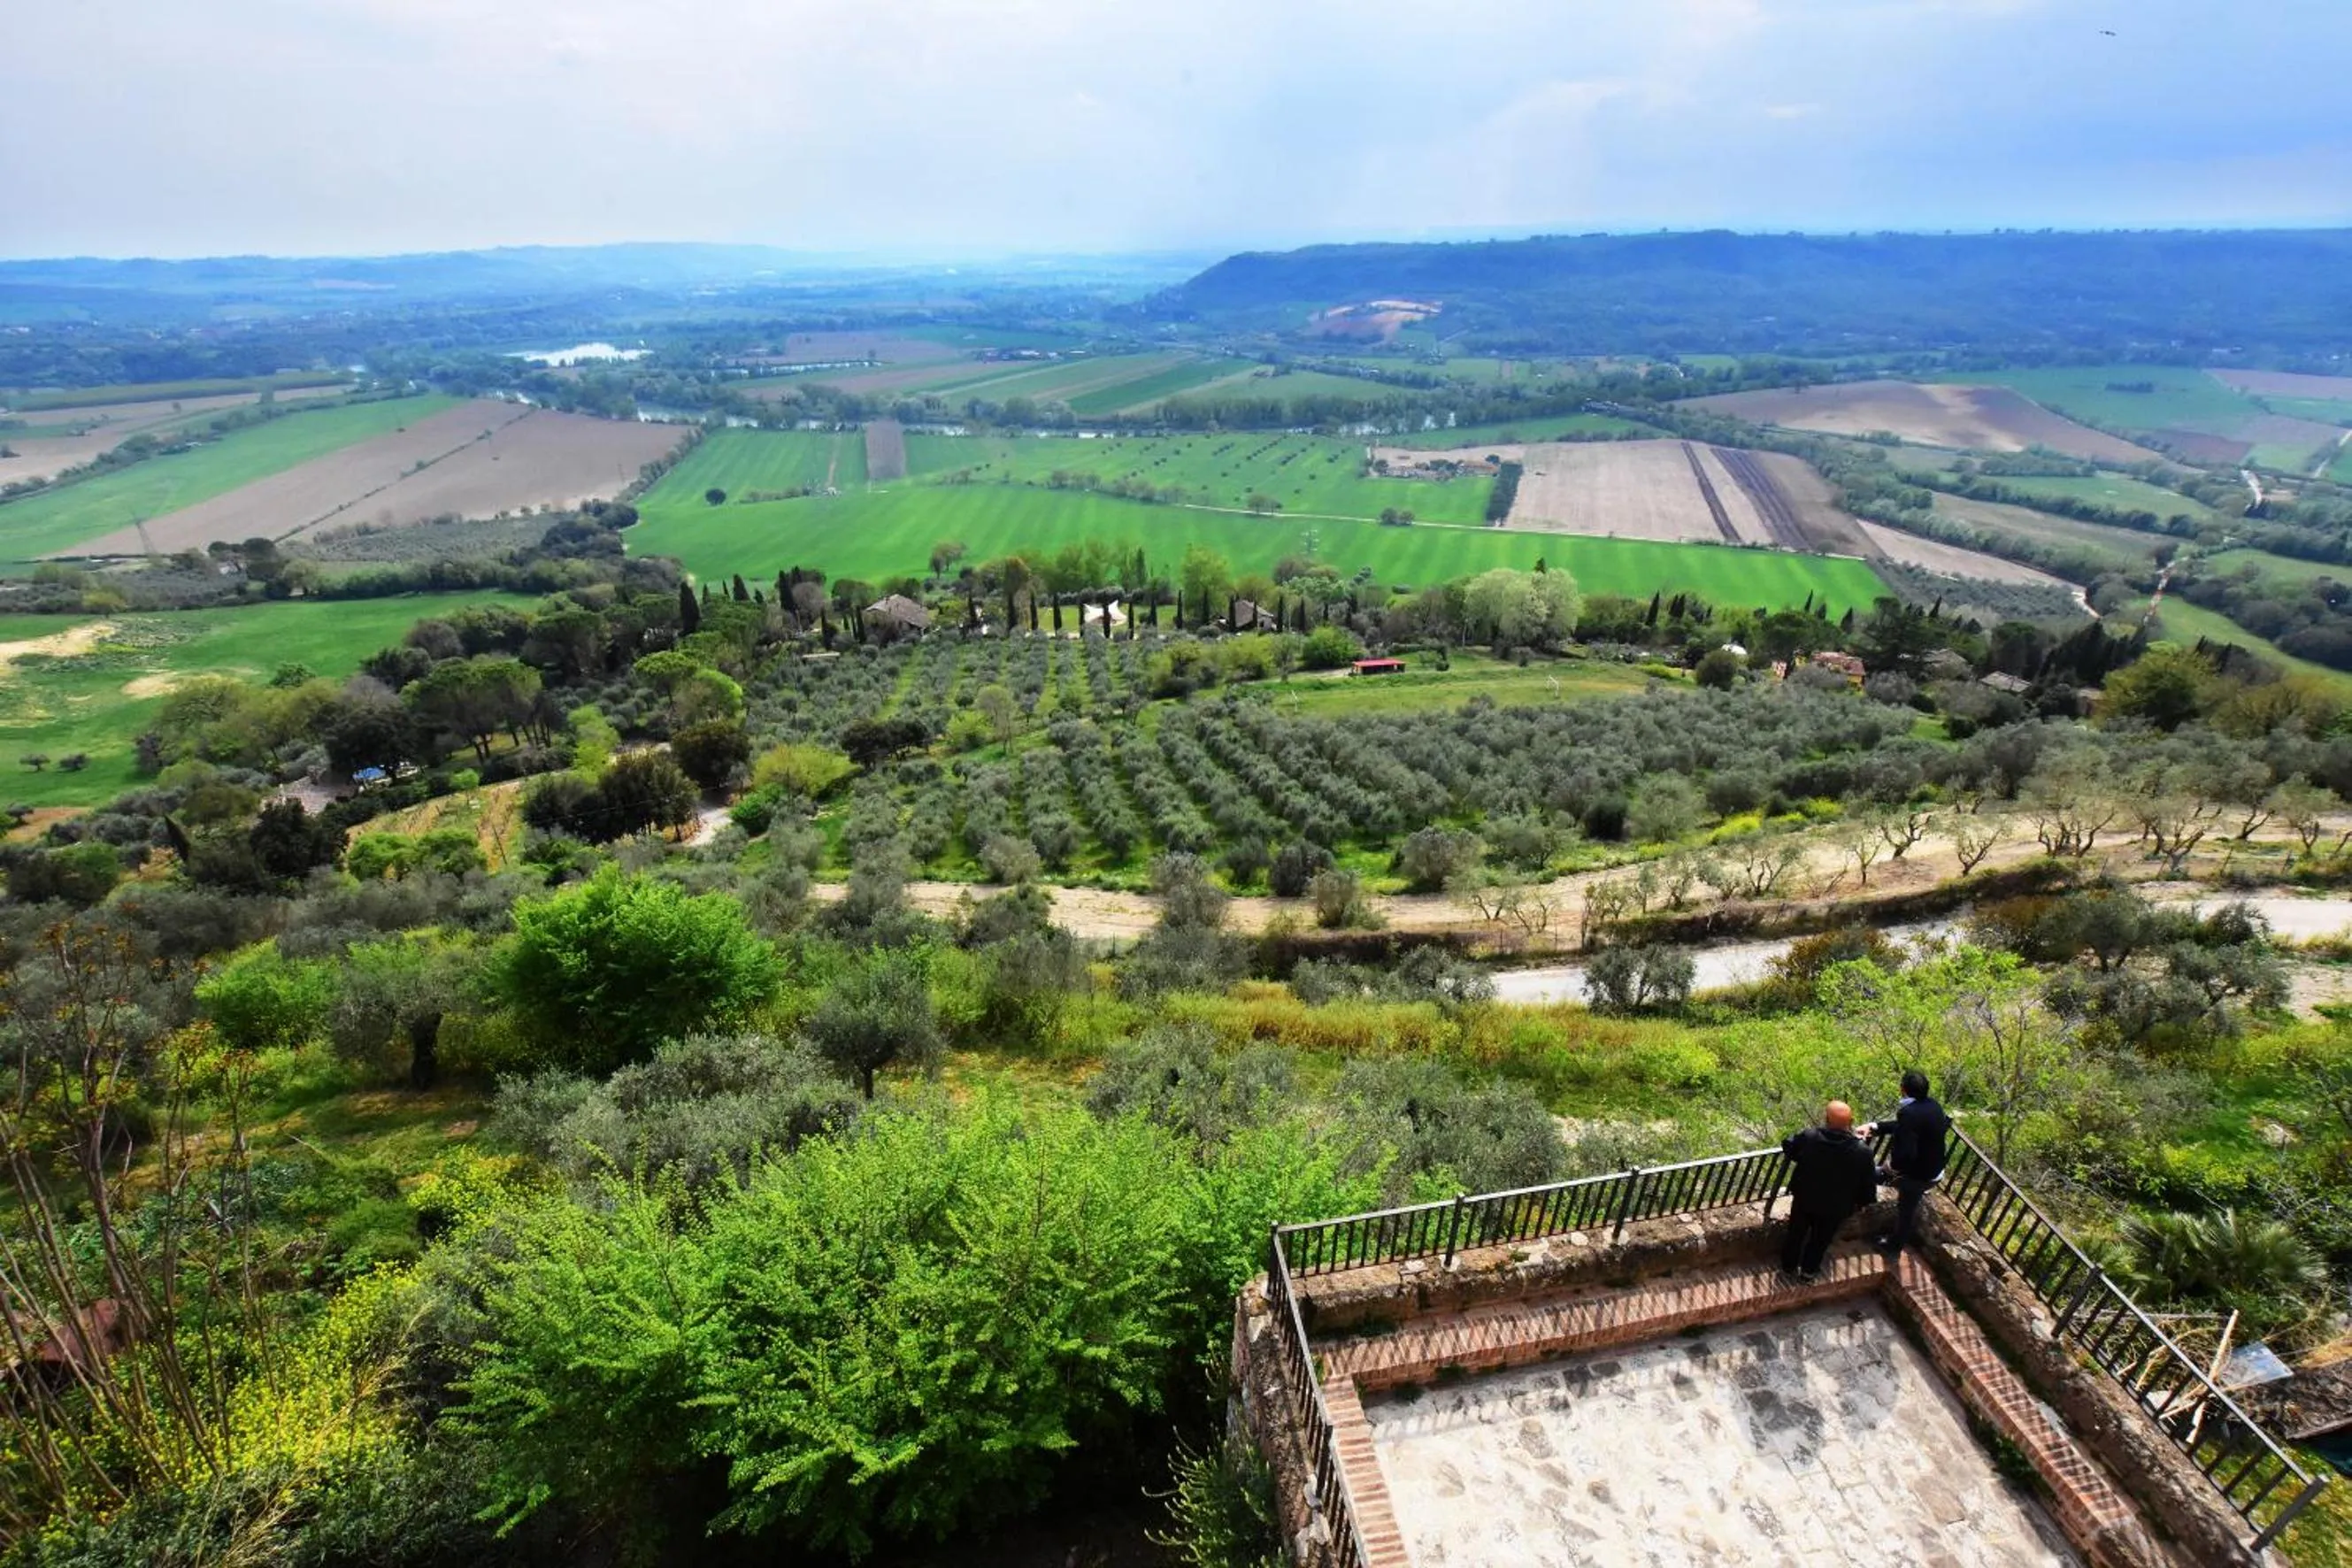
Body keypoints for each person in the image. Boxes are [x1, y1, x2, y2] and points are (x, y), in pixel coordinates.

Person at [1778, 1101, 1879, 1282]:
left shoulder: (1810, 1138)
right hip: (1837, 1206)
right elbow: (1867, 1183)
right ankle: (1808, 1272)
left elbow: (1789, 1146)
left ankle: (1788, 1267)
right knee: (1821, 1239)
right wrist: (1863, 1203)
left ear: (1826, 1119)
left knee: (1796, 1233)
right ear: (1851, 1122)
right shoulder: (1862, 1152)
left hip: (1805, 1198)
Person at [1858, 1069, 1950, 1255]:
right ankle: (1895, 1244)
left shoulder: (1909, 1113)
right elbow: (1906, 1127)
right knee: (1907, 1209)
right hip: (1934, 1172)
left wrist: (1891, 1167)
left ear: (1902, 1089)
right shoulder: (1933, 1106)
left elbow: (1906, 1153)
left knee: (1863, 1173)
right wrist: (1875, 1126)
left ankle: (1892, 1246)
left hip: (1918, 1176)